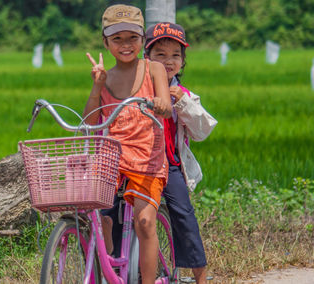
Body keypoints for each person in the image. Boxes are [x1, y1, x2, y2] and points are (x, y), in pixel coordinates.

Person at [83, 4, 172, 283]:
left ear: (142, 40)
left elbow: (167, 106)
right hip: (112, 159)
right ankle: (109, 262)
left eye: (132, 38)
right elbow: (89, 120)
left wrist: (160, 102)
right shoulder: (105, 77)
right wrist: (97, 85)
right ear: (105, 42)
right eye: (117, 39)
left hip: (147, 159)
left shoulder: (154, 69)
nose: (125, 45)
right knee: (97, 217)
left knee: (145, 222)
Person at [144, 22, 218, 284]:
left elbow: (202, 130)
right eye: (160, 55)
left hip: (170, 164)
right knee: (116, 210)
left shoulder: (183, 94)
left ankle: (200, 277)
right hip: (138, 163)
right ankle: (119, 268)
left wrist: (183, 103)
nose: (168, 61)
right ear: (147, 58)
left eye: (175, 55)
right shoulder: (138, 89)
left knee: (184, 216)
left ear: (183, 61)